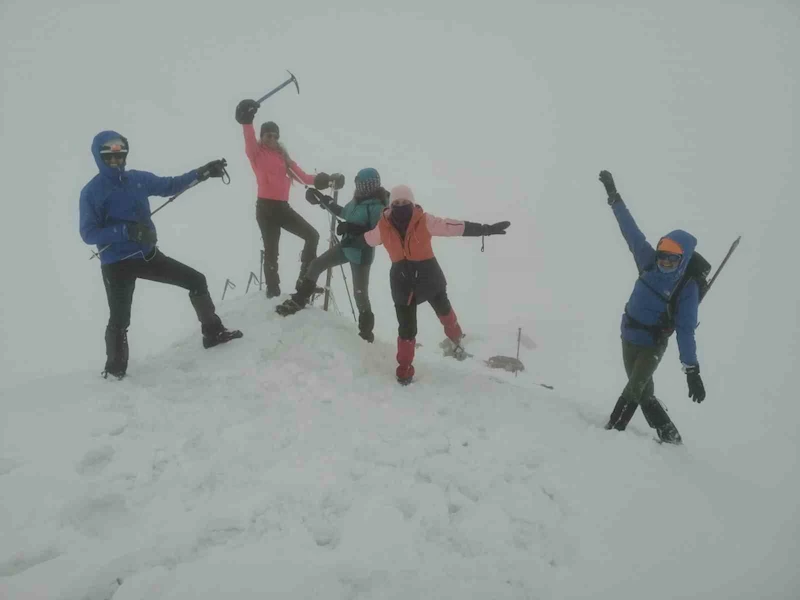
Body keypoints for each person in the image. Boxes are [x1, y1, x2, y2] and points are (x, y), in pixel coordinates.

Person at [79, 130, 242, 380]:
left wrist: (202, 173)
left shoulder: (138, 179)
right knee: (120, 320)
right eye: (109, 157)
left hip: (147, 255)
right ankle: (114, 371)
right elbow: (88, 233)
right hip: (116, 264)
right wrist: (126, 230)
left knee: (196, 280)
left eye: (119, 156)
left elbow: (171, 185)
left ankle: (213, 333)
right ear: (99, 158)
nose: (115, 161)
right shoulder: (91, 192)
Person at [356, 184, 510, 384]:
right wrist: (349, 238)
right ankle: (404, 368)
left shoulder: (424, 220)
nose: (401, 205)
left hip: (428, 276)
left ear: (412, 203)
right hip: (402, 283)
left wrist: (485, 230)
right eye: (396, 203)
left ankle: (456, 337)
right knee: (406, 328)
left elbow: (453, 227)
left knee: (444, 311)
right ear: (391, 205)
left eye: (405, 202)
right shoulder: (382, 227)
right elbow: (367, 239)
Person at [599, 170, 706, 444]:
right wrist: (614, 197)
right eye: (662, 258)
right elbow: (630, 230)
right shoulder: (648, 261)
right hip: (628, 336)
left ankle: (610, 432)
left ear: (682, 261)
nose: (663, 264)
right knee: (644, 392)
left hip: (652, 345)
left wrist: (691, 371)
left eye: (671, 261)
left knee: (634, 389)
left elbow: (685, 331)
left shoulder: (687, 289)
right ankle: (669, 435)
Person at [275, 168, 389, 343]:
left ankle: (366, 334)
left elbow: (379, 236)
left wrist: (351, 229)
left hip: (361, 256)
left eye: (361, 184)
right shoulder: (357, 200)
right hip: (345, 247)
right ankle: (300, 299)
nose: (358, 187)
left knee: (360, 294)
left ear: (369, 186)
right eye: (357, 184)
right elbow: (343, 212)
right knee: (316, 264)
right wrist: (323, 199)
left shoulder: (378, 208)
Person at [235, 99, 333, 298]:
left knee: (311, 235)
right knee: (272, 251)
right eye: (267, 135)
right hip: (265, 208)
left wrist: (328, 180)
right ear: (262, 137)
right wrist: (247, 119)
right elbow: (248, 135)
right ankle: (273, 290)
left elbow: (305, 177)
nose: (271, 138)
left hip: (282, 208)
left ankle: (304, 280)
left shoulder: (284, 158)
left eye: (274, 135)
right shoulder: (256, 153)